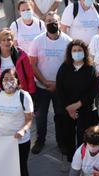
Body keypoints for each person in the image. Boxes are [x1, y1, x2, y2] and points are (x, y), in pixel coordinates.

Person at [0, 68, 35, 176]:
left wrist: (23, 130)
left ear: (17, 81)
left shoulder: (24, 96)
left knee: (21, 169)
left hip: (20, 142)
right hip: (2, 140)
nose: (8, 82)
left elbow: (29, 119)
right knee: (5, 168)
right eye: (5, 79)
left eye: (11, 79)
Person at [29, 12, 71, 155]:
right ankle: (40, 140)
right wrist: (45, 82)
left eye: (54, 21)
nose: (51, 24)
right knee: (40, 115)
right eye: (48, 21)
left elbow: (69, 66)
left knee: (60, 115)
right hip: (42, 86)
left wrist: (57, 84)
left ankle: (61, 142)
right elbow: (33, 64)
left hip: (60, 88)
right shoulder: (37, 41)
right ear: (44, 23)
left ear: (59, 23)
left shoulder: (68, 41)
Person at [56, 40, 99, 167]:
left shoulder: (90, 69)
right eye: (74, 50)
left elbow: (93, 91)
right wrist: (69, 108)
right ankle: (70, 158)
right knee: (68, 134)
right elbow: (60, 89)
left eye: (79, 50)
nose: (77, 53)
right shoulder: (64, 68)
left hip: (85, 109)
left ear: (84, 52)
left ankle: (82, 159)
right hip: (67, 109)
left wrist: (78, 105)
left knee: (83, 136)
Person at [0, 29, 35, 110]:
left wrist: (31, 94)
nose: (7, 42)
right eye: (3, 40)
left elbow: (29, 76)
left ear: (13, 41)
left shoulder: (22, 55)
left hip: (18, 97)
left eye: (9, 39)